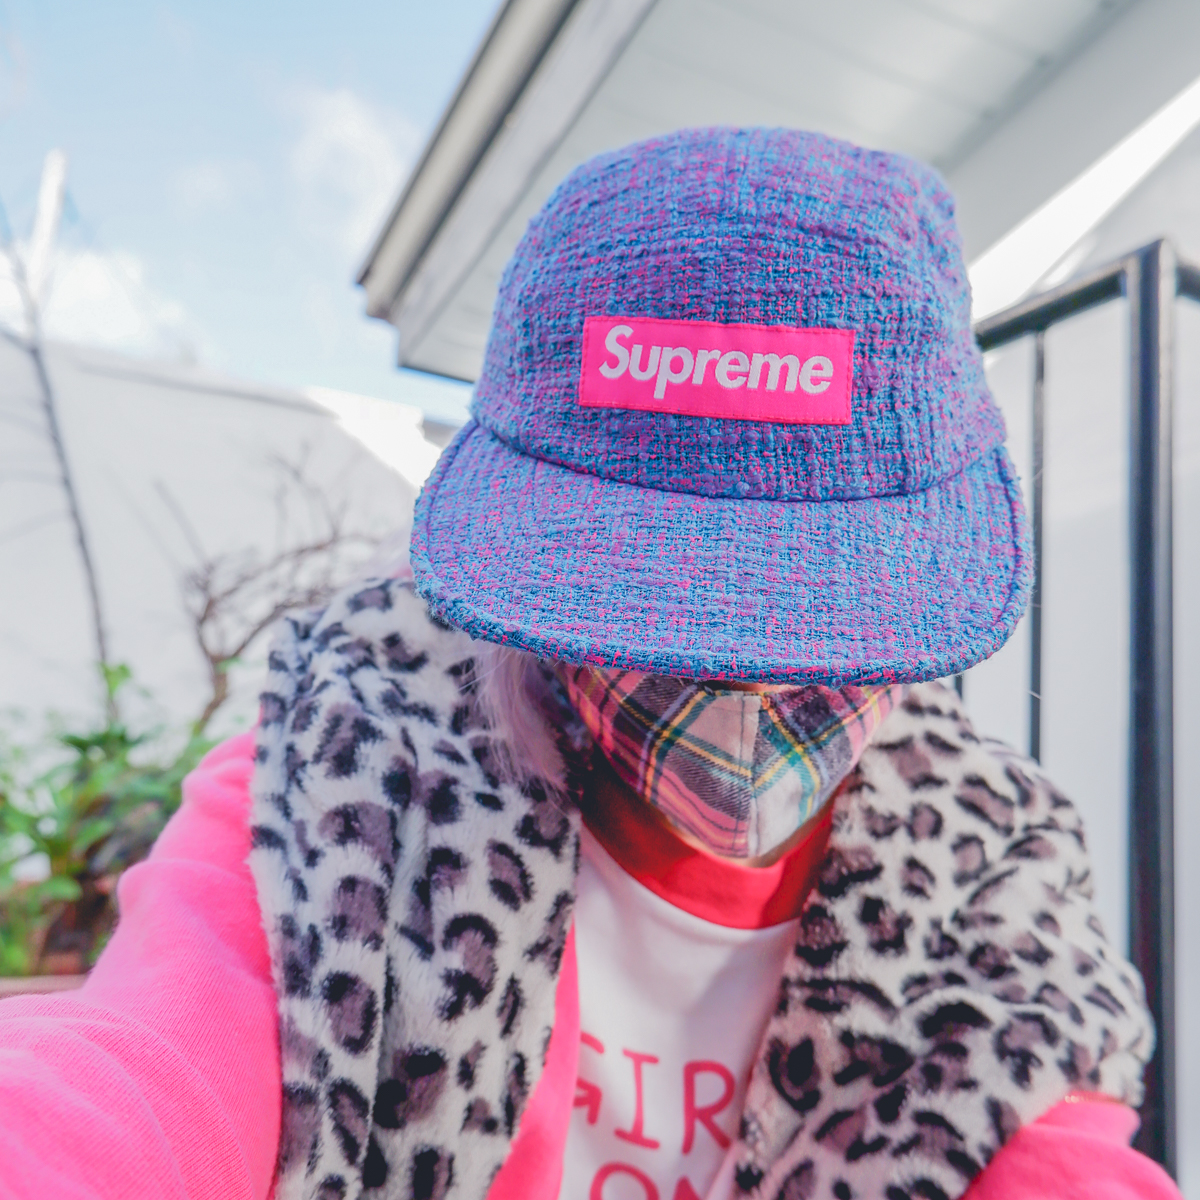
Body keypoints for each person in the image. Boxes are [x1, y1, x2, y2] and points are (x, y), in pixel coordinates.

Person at [0, 127, 1181, 1200]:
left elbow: (1057, 1157)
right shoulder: (351, 768)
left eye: (815, 613)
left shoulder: (994, 869)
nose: (749, 691)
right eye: (648, 601)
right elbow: (142, 1070)